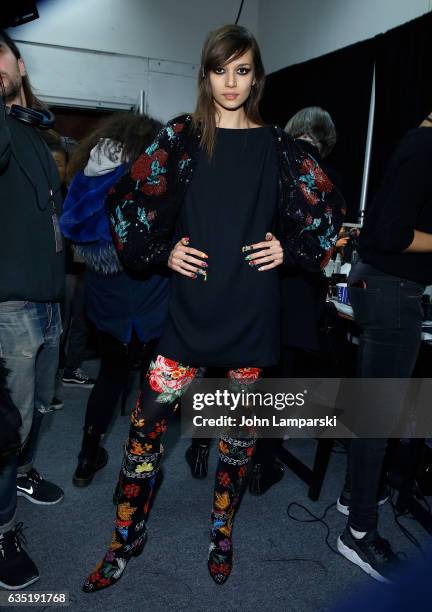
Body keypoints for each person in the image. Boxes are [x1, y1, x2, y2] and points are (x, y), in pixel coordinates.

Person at [82, 24, 344, 592]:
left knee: (237, 436)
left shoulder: (280, 147)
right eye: (220, 69)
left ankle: (221, 532)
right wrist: (160, 249)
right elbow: (124, 198)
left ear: (256, 77)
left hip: (251, 311)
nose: (231, 82)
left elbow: (327, 214)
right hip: (188, 313)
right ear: (205, 75)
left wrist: (291, 248)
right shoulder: (179, 138)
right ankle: (125, 536)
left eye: (242, 70)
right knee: (145, 426)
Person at [336, 110, 432, 582]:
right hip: (392, 290)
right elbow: (388, 233)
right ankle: (358, 533)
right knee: (377, 417)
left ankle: (355, 495)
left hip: (385, 287)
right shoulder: (425, 148)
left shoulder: (416, 142)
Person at [59, 112, 170, 486]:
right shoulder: (147, 177)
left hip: (106, 304)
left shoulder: (86, 178)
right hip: (150, 298)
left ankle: (86, 458)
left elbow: (73, 229)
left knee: (109, 378)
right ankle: (141, 462)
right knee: (153, 387)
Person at [250, 106, 344, 496]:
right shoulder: (329, 181)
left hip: (258, 284)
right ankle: (262, 466)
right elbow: (323, 249)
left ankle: (221, 449)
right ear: (327, 140)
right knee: (279, 381)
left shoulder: (268, 163)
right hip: (299, 294)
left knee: (246, 372)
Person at [0, 30, 64, 589]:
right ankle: (0, 528)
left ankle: (21, 473)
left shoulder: (32, 132)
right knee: (6, 425)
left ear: (19, 62)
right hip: (9, 307)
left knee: (39, 411)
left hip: (48, 303)